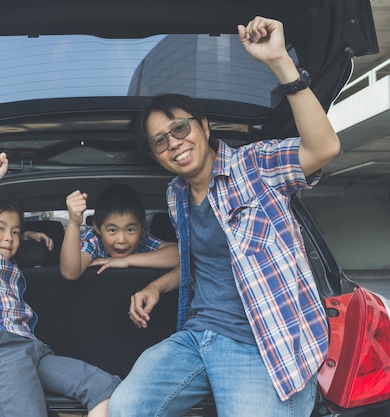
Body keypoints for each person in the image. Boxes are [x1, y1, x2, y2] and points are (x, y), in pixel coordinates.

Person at [109, 16, 336, 417]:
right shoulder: (175, 194)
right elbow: (201, 260)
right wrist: (158, 287)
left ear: (204, 126)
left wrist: (280, 60)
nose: (174, 144)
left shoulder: (255, 165)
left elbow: (324, 147)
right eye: (160, 141)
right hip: (197, 336)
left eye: (180, 129)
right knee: (125, 407)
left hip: (260, 341)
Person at [0, 152, 120, 417]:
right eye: (0, 228)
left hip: (33, 349)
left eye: (15, 231)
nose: (9, 237)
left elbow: (4, 237)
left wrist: (24, 233)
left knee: (104, 388)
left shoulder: (11, 267)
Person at [60, 183, 179, 280]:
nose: (121, 240)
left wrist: (125, 261)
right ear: (97, 228)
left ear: (142, 228)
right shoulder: (93, 241)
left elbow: (180, 254)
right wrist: (74, 223)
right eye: (112, 230)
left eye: (130, 230)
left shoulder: (142, 239)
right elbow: (70, 273)